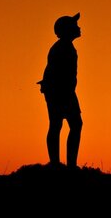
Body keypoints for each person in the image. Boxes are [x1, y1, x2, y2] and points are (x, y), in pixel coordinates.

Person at [37, 12, 83, 170]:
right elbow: (53, 72)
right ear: (67, 29)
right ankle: (60, 165)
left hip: (64, 91)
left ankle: (64, 165)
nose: (79, 27)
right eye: (75, 25)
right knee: (64, 125)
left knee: (66, 125)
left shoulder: (65, 47)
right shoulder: (62, 48)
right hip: (61, 92)